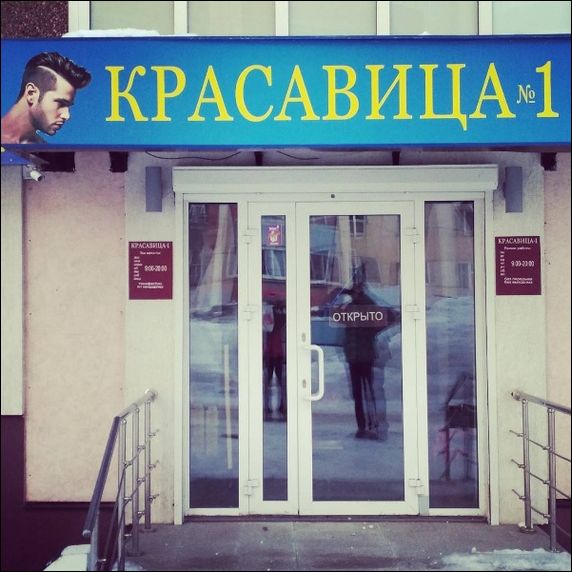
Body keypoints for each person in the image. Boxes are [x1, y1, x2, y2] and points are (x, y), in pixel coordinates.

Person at [1, 52, 91, 144]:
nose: (67, 116)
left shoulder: (43, 149)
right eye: (61, 104)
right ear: (31, 93)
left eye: (68, 106)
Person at [342, 273, 391, 441]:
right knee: (359, 394)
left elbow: (382, 321)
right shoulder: (350, 308)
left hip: (364, 355)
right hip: (355, 356)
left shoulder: (368, 306)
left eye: (355, 291)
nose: (353, 294)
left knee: (368, 393)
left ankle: (372, 425)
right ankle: (362, 426)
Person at [263, 299, 287, 421]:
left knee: (271, 382)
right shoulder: (280, 318)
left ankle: (272, 406)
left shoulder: (271, 318)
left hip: (274, 353)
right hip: (275, 353)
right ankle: (279, 405)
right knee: (279, 382)